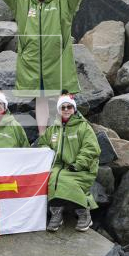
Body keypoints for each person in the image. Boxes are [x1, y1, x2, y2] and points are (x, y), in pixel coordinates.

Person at [0, 0, 101, 135]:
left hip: (57, 59)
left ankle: (69, 131)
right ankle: (42, 134)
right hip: (33, 61)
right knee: (41, 99)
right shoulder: (23, 3)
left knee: (64, 97)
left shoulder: (63, 2)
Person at [38, 93, 101, 232]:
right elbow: (43, 144)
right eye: (63, 107)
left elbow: (91, 148)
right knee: (51, 178)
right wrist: (45, 154)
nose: (66, 110)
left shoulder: (83, 127)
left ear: (74, 109)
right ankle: (57, 213)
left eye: (69, 107)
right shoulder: (53, 129)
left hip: (82, 168)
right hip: (59, 166)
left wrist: (78, 163)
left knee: (65, 180)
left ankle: (84, 213)